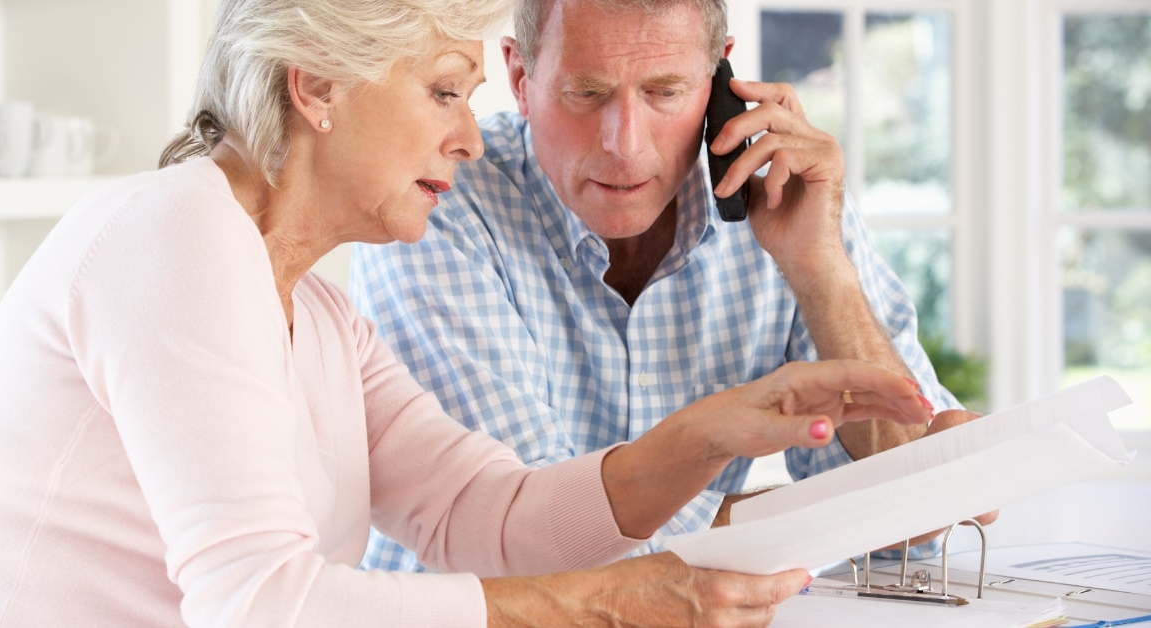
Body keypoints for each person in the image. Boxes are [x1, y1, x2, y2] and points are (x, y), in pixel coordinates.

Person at [0, 0, 936, 626]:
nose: (469, 139)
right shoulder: (179, 232)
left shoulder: (319, 317)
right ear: (319, 87)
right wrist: (607, 604)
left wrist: (703, 435)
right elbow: (258, 604)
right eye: (442, 92)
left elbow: (489, 516)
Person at [351, 0, 988, 574]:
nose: (624, 144)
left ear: (719, 81)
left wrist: (820, 266)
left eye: (664, 91)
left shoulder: (789, 199)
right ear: (520, 78)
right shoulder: (440, 202)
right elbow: (534, 533)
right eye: (586, 92)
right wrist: (845, 513)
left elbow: (919, 524)